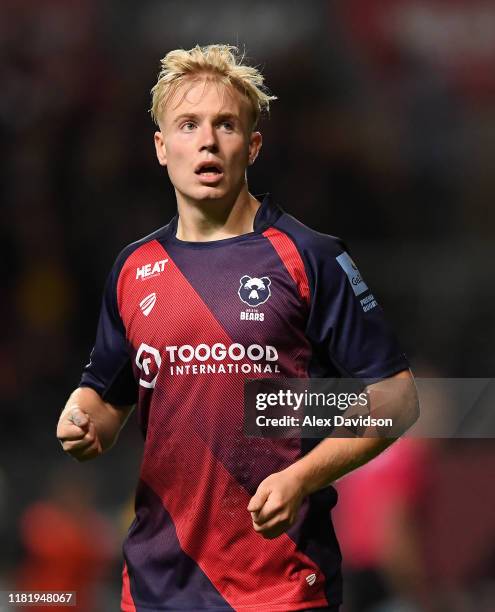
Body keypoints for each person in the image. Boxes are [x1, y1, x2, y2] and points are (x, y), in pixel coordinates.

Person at [57, 44, 418, 612]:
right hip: (155, 587)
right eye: (188, 124)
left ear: (251, 145)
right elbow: (105, 399)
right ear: (161, 146)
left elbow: (396, 399)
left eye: (226, 125)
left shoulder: (309, 257)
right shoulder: (132, 268)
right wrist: (80, 421)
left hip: (280, 585)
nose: (207, 140)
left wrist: (300, 477)